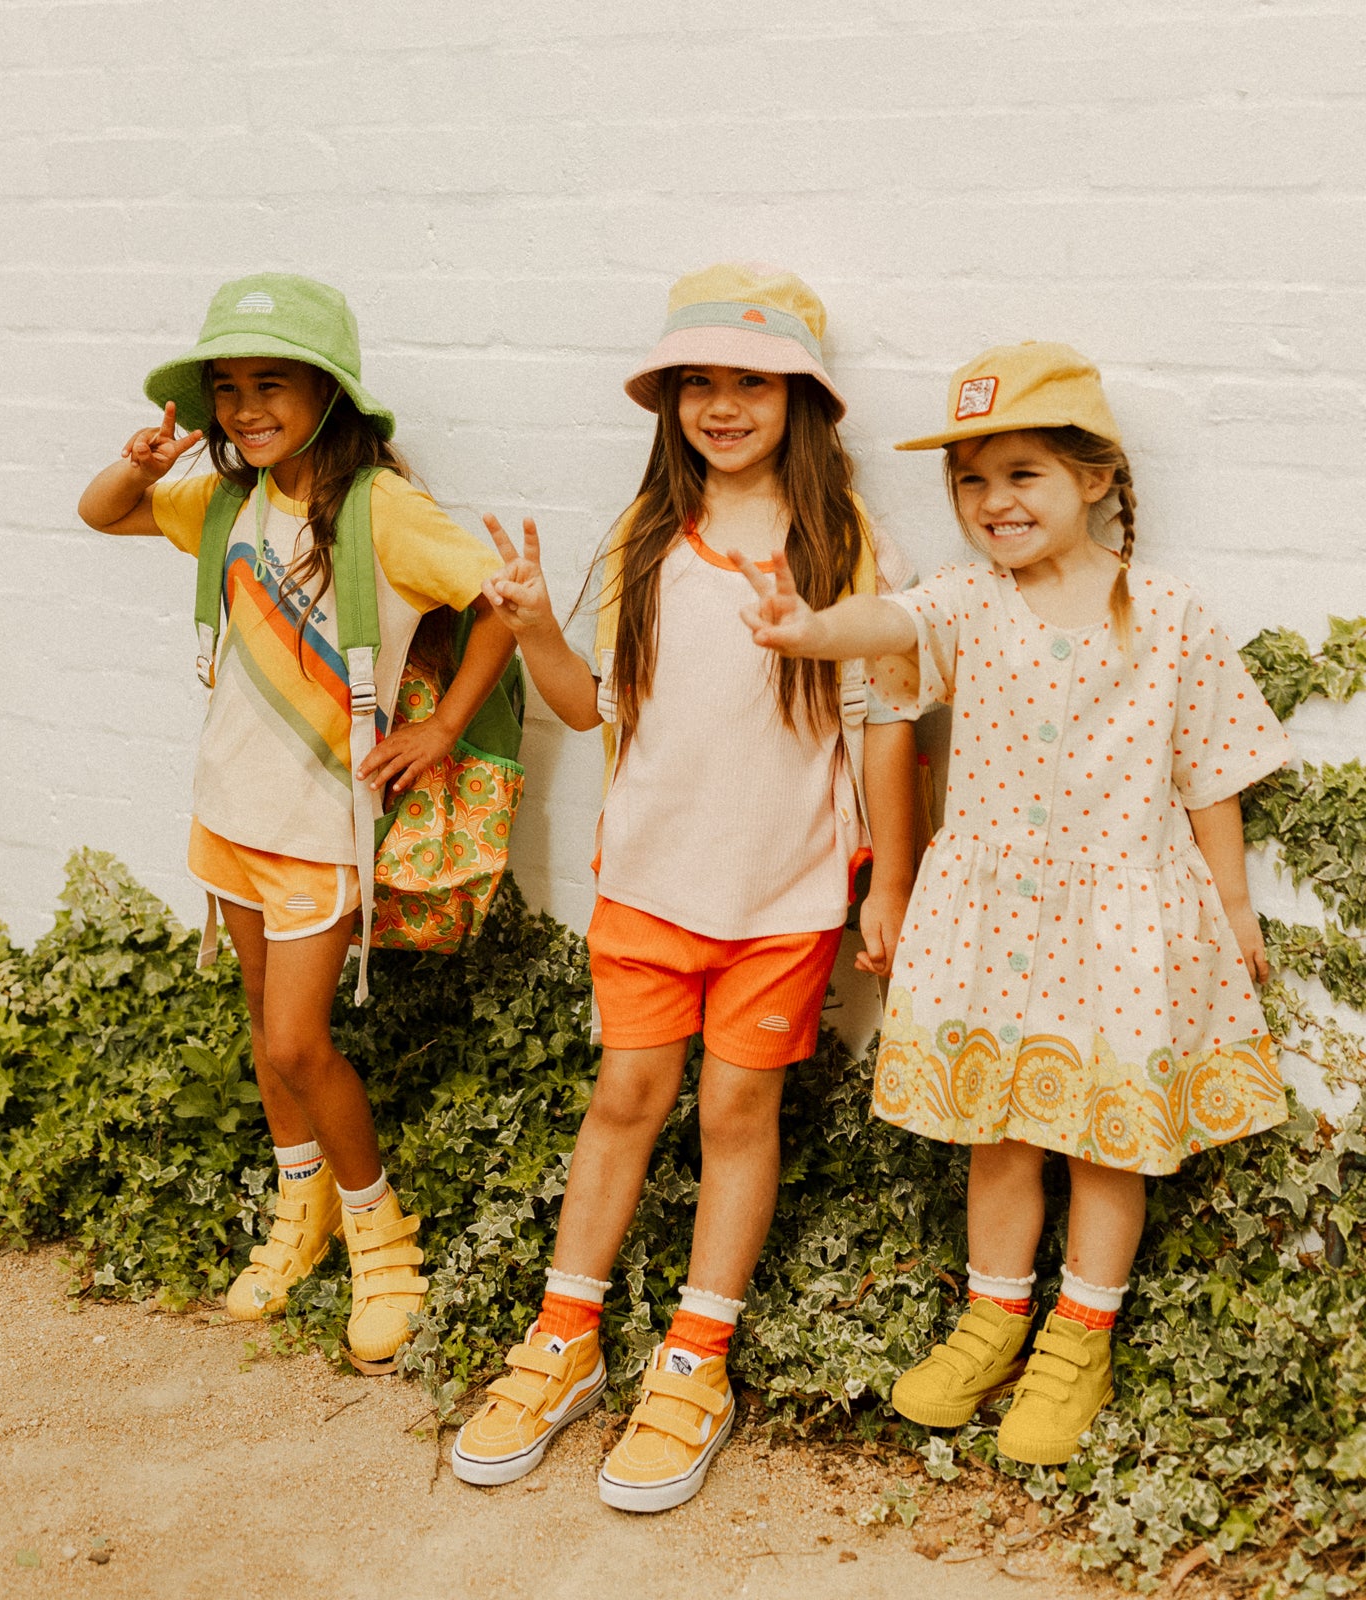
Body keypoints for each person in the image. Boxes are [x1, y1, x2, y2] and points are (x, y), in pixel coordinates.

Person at [735, 341, 1290, 1464]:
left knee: (1103, 1143)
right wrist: (807, 628)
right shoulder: (964, 600)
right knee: (996, 1128)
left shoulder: (1170, 615)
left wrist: (1232, 908)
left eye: (1022, 473)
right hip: (994, 914)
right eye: (971, 479)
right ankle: (993, 1312)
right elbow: (881, 623)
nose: (992, 502)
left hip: (1123, 918)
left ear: (1093, 476)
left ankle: (1079, 1334)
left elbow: (1209, 771)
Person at [450, 264, 919, 1510]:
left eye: (749, 381)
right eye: (697, 381)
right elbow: (588, 707)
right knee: (625, 1098)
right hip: (650, 883)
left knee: (733, 1119)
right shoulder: (641, 533)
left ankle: (696, 1360)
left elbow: (881, 722)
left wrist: (890, 884)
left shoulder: (848, 540)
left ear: (798, 399)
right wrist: (538, 622)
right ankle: (562, 1340)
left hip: (787, 895)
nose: (721, 404)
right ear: (668, 402)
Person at [77, 274, 513, 1373]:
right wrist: (139, 464)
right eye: (226, 388)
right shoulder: (225, 502)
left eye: (269, 384)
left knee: (295, 1038)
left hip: (321, 824)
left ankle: (380, 1235)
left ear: (330, 392)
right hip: (228, 809)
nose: (241, 409)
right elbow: (103, 513)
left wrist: (445, 726)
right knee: (262, 1033)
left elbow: (503, 602)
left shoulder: (380, 513)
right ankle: (300, 1207)